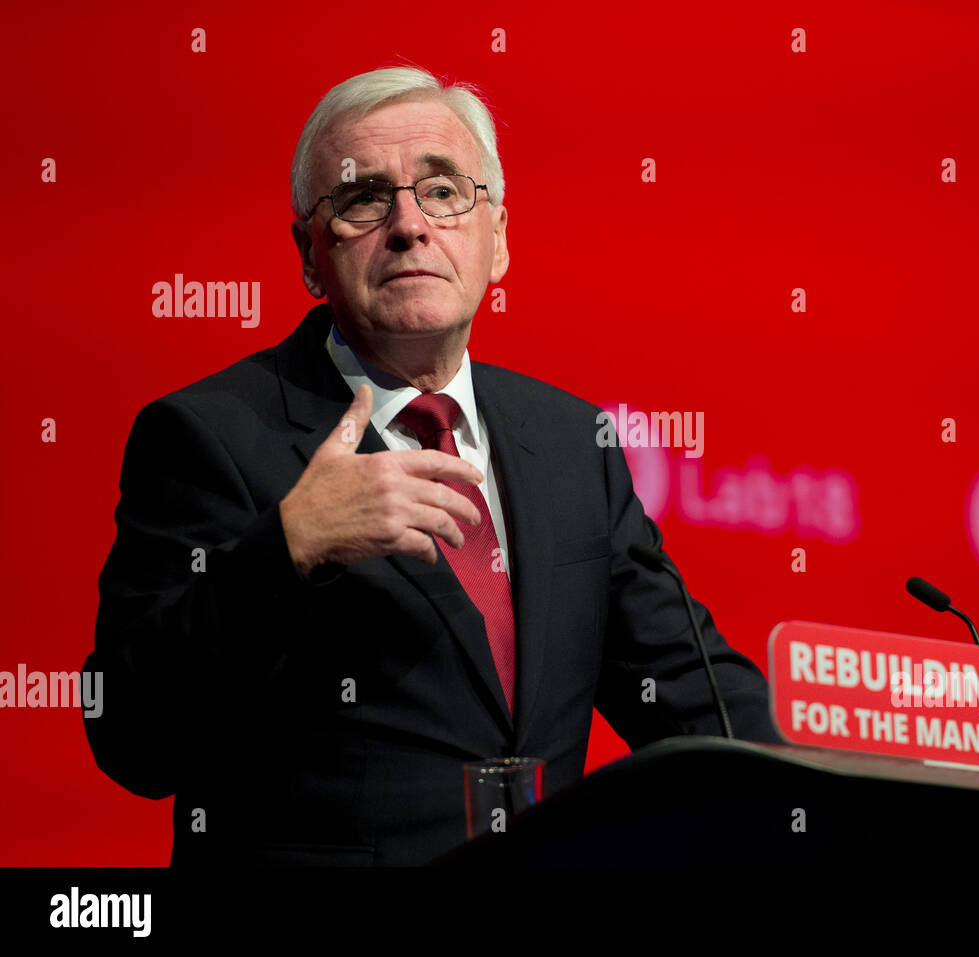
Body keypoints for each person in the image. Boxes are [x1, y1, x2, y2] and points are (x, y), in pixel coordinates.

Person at [83, 64, 781, 866]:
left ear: (500, 239)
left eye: (444, 191)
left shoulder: (567, 442)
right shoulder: (209, 436)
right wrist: (289, 547)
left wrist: (863, 782)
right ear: (310, 256)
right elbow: (130, 735)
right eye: (363, 198)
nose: (410, 225)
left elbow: (698, 700)